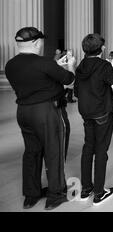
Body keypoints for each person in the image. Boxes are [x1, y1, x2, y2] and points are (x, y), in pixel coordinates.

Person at [5, 27, 75, 210]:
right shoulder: (44, 63)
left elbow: (36, 78)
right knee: (54, 151)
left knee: (31, 153)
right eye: (41, 42)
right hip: (46, 111)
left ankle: (31, 195)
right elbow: (68, 79)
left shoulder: (10, 65)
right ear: (36, 43)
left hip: (23, 112)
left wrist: (54, 66)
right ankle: (56, 194)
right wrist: (70, 66)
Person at [74, 34, 113, 206]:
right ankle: (99, 193)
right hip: (102, 113)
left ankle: (86, 188)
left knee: (88, 147)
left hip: (86, 113)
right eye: (103, 46)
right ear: (100, 49)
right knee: (101, 150)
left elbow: (76, 92)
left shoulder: (80, 66)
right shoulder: (104, 65)